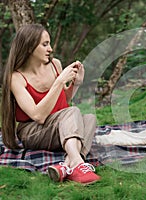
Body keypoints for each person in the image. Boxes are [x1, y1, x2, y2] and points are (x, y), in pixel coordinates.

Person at [1, 24, 100, 185]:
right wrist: (60, 81)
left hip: (58, 125)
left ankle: (66, 166)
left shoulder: (55, 64)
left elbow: (62, 101)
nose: (50, 49)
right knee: (73, 112)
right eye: (45, 44)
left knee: (89, 118)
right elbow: (38, 116)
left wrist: (76, 84)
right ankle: (79, 163)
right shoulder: (16, 77)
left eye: (49, 43)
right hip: (32, 131)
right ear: (29, 47)